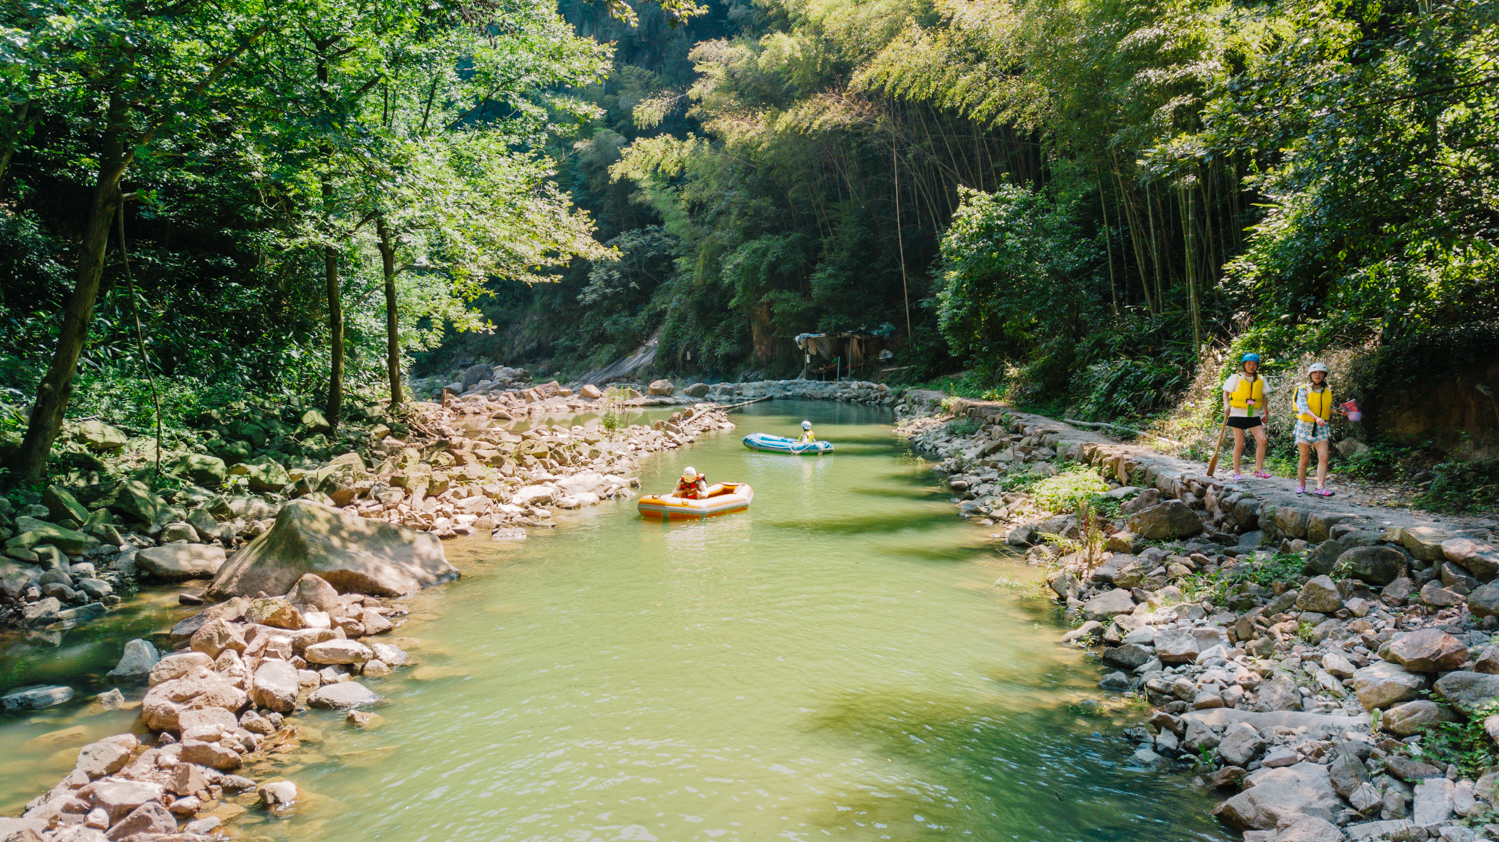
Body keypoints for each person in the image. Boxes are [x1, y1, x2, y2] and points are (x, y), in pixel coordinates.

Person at [1294, 362, 1345, 496]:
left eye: (1321, 373)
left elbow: (1327, 409)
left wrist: (1339, 412)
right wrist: (1316, 418)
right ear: (1310, 375)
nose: (1318, 375)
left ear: (1324, 375)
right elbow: (1303, 408)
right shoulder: (1303, 389)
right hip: (1305, 426)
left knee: (1324, 456)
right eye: (1315, 373)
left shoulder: (1327, 390)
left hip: (1321, 427)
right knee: (1304, 458)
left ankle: (1320, 487)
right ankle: (1301, 485)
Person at [1222, 352, 1272, 481]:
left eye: (1254, 364)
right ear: (1244, 365)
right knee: (1240, 443)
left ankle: (1259, 470)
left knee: (1262, 440)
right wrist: (1226, 406)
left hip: (1253, 415)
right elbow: (1226, 393)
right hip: (1237, 414)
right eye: (1249, 364)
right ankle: (1236, 472)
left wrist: (1266, 412)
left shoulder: (1260, 379)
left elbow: (1264, 397)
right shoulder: (1236, 377)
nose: (1251, 366)